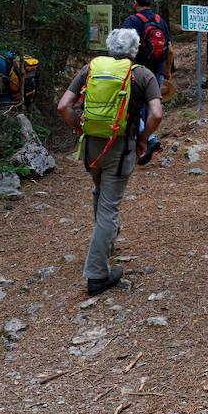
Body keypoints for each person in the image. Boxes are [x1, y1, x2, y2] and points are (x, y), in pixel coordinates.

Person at [56, 28, 163, 296]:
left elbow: (64, 106)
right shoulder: (142, 74)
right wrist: (143, 138)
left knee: (100, 192)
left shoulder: (91, 68)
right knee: (109, 207)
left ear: (109, 47)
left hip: (92, 146)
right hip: (119, 146)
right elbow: (157, 114)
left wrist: (79, 129)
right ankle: (97, 274)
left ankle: (106, 244)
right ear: (135, 50)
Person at [122, 0, 170, 153]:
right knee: (152, 105)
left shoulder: (132, 21)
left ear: (135, 3)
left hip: (138, 70)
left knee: (134, 105)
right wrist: (167, 71)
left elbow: (124, 47)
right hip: (157, 69)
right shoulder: (160, 21)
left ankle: (146, 140)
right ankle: (148, 138)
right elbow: (170, 49)